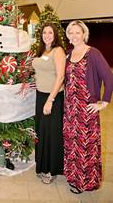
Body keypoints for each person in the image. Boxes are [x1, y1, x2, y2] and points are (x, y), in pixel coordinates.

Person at [63, 20, 113, 194]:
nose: (75, 35)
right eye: (71, 32)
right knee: (72, 144)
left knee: (86, 147)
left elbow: (109, 77)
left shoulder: (93, 53)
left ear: (84, 34)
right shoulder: (68, 55)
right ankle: (73, 177)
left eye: (78, 32)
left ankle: (87, 183)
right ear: (68, 36)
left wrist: (104, 102)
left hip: (86, 109)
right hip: (70, 109)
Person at [32, 22, 66, 184]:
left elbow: (60, 77)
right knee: (41, 132)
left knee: (52, 134)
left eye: (50, 33)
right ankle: (42, 165)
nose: (47, 35)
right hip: (40, 95)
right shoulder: (40, 51)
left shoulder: (58, 51)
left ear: (55, 35)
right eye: (44, 32)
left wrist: (50, 101)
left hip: (53, 97)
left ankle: (52, 170)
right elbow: (38, 72)